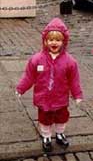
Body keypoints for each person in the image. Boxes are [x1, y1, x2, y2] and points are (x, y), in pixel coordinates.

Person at [15, 18, 83, 152]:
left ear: (64, 42)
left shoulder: (70, 62)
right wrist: (21, 88)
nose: (54, 43)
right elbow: (29, 76)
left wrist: (77, 94)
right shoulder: (36, 59)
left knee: (61, 117)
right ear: (45, 41)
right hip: (43, 98)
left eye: (58, 40)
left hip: (60, 98)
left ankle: (59, 133)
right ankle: (46, 136)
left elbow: (74, 80)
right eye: (50, 40)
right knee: (44, 119)